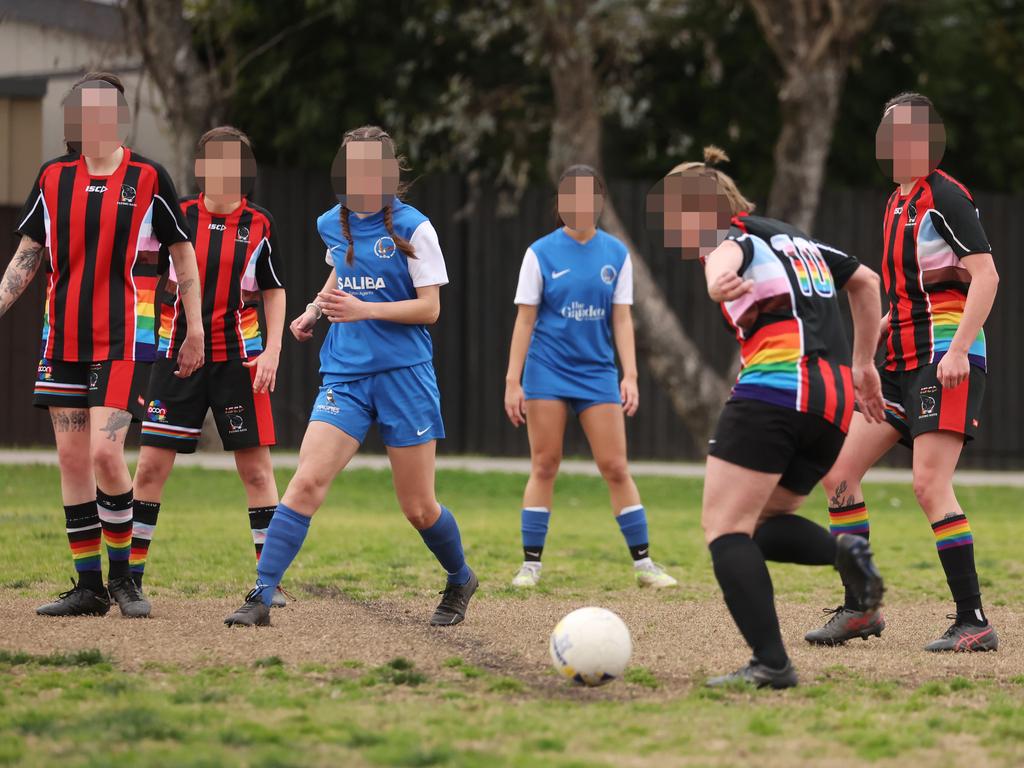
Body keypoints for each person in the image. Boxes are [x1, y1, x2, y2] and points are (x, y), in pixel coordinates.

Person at [647, 147, 885, 688]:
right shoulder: (795, 239)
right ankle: (844, 549)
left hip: (776, 391)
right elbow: (866, 282)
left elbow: (724, 259)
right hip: (832, 400)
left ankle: (772, 663)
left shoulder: (726, 239)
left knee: (723, 530)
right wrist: (864, 365)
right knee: (759, 524)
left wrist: (715, 281)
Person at [224, 125, 476, 627]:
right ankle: (261, 594)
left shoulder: (414, 228)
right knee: (305, 483)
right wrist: (315, 309)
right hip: (345, 376)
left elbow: (430, 310)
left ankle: (460, 577)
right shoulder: (330, 223)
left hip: (405, 377)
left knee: (419, 507)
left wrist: (365, 310)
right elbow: (342, 269)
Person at [0, 72, 203, 618]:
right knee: (71, 458)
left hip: (122, 337)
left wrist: (195, 328)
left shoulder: (149, 177)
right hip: (61, 337)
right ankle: (88, 589)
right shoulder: (51, 177)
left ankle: (125, 580)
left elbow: (184, 257)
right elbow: (28, 255)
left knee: (105, 453)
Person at [807, 93, 1000, 652]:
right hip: (900, 362)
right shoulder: (897, 201)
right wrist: (880, 334)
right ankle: (860, 609)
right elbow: (906, 289)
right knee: (839, 476)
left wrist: (960, 349)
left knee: (927, 484)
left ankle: (974, 620)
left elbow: (985, 277)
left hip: (944, 357)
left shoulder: (945, 195)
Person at [129, 126, 288, 609]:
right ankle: (129, 578)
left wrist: (273, 350)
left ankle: (268, 582)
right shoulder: (175, 216)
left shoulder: (260, 223)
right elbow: (141, 275)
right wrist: (143, 348)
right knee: (152, 465)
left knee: (257, 472)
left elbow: (274, 289)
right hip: (177, 358)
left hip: (241, 359)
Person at [503, 165, 677, 590]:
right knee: (545, 464)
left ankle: (644, 566)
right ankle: (530, 566)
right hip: (547, 371)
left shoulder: (616, 253)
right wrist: (514, 380)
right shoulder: (539, 253)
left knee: (615, 466)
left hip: (598, 374)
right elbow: (525, 321)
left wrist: (630, 375)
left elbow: (622, 320)